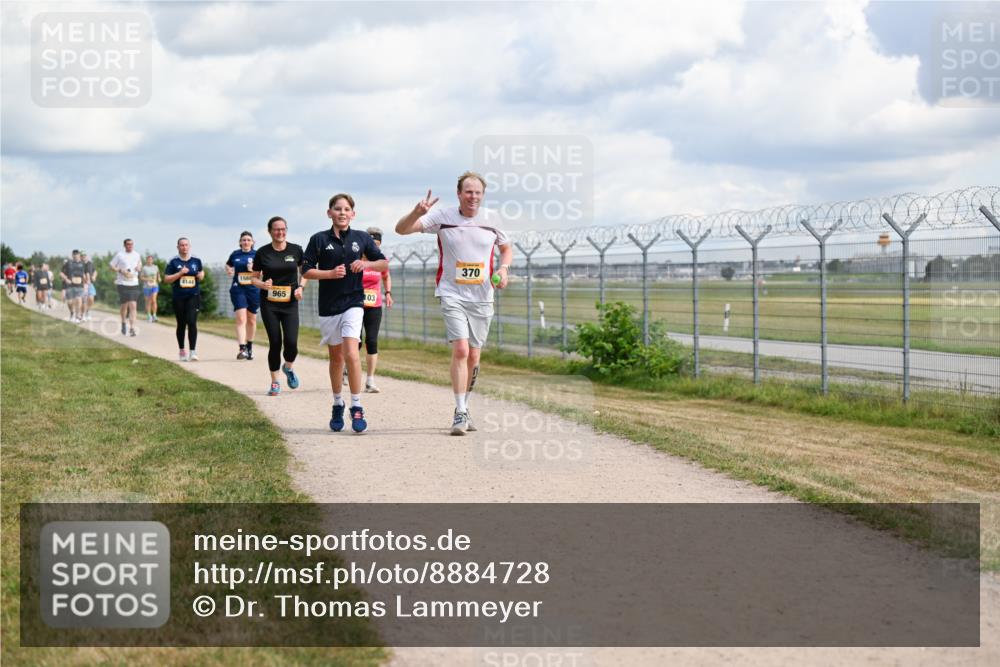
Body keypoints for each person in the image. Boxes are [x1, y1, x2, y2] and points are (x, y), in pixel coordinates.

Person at [395, 171, 512, 435]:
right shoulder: (443, 217)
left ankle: (466, 407)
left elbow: (506, 248)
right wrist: (416, 213)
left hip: (482, 296)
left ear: (483, 195)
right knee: (460, 349)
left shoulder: (492, 219)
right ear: (459, 194)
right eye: (468, 192)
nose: (473, 196)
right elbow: (401, 230)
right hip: (451, 293)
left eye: (478, 192)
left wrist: (503, 269)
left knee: (473, 354)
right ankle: (459, 411)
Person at [303, 194, 388, 433]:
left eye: (347, 209)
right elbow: (306, 270)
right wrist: (329, 274)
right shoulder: (319, 239)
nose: (342, 212)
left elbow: (383, 263)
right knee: (336, 358)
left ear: (353, 214)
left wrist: (367, 264)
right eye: (337, 209)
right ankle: (338, 403)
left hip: (354, 302)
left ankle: (357, 406)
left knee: (351, 352)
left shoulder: (361, 238)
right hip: (329, 306)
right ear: (329, 213)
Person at [251, 217, 306, 395]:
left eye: (283, 229)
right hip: (269, 303)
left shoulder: (296, 250)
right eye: (276, 229)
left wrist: (300, 287)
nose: (280, 232)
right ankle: (275, 382)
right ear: (269, 231)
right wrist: (262, 285)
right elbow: (253, 278)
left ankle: (288, 367)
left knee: (291, 343)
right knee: (275, 342)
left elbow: (304, 272)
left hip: (290, 303)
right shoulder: (262, 252)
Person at [359, 227, 393, 393]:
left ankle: (370, 381)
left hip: (374, 305)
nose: (375, 247)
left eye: (377, 244)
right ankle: (346, 368)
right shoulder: (356, 259)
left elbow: (386, 276)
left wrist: (388, 293)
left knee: (371, 341)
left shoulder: (381, 261)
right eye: (372, 244)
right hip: (354, 305)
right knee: (355, 342)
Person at [164, 238, 204, 361]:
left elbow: (201, 274)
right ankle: (182, 350)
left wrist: (201, 275)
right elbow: (166, 279)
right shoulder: (173, 262)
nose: (184, 247)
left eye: (186, 245)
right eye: (182, 245)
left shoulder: (196, 260)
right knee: (181, 324)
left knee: (192, 322)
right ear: (178, 247)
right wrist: (180, 273)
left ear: (189, 246)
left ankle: (193, 351)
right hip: (179, 297)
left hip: (193, 295)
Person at [225, 231, 259, 360]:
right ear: (240, 242)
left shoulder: (257, 255)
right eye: (243, 240)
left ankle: (249, 347)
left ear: (252, 242)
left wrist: (254, 270)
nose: (246, 242)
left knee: (251, 320)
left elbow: (264, 272)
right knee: (241, 319)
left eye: (248, 240)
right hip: (238, 289)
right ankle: (242, 348)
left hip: (253, 290)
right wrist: (228, 270)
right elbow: (228, 265)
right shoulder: (235, 254)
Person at [110, 238, 142, 336]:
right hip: (122, 283)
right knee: (124, 306)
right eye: (128, 244)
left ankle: (132, 328)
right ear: (124, 245)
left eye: (131, 244)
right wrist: (120, 270)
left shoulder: (137, 255)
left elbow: (139, 263)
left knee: (133, 305)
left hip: (134, 283)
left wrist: (139, 267)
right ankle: (123, 322)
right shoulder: (120, 255)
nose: (130, 246)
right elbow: (111, 266)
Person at [60, 250, 89, 322]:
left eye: (77, 255)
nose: (76, 256)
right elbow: (61, 273)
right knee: (70, 302)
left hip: (80, 285)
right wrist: (66, 279)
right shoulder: (68, 263)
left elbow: (85, 274)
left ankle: (77, 316)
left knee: (79, 300)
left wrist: (86, 283)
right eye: (74, 255)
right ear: (72, 256)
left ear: (79, 255)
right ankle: (72, 313)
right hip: (69, 285)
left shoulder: (83, 264)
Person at [140, 255, 160, 322]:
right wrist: (148, 279)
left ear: (152, 260)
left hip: (155, 285)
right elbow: (141, 277)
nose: (149, 261)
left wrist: (159, 278)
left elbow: (158, 275)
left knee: (154, 300)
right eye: (148, 259)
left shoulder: (156, 267)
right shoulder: (144, 268)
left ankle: (154, 315)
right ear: (146, 260)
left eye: (151, 259)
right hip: (146, 287)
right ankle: (149, 315)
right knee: (148, 301)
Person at [81, 252, 97, 321]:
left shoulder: (90, 264)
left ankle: (88, 311)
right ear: (80, 257)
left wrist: (94, 276)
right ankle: (83, 315)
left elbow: (95, 271)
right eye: (82, 256)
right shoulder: (80, 264)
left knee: (91, 299)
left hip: (90, 284)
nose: (84, 257)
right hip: (83, 284)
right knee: (84, 300)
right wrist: (84, 278)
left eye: (85, 256)